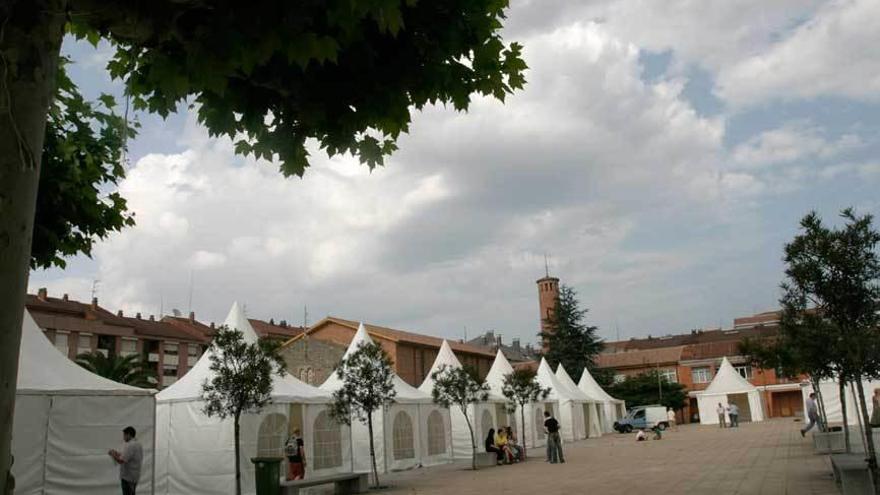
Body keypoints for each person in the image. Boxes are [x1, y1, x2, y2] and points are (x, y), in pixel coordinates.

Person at [108, 426, 143, 495]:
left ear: (129, 435)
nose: (123, 437)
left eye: (124, 435)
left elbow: (121, 461)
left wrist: (113, 454)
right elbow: (127, 456)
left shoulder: (131, 445)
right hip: (133, 476)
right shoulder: (138, 444)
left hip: (128, 477)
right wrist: (117, 453)